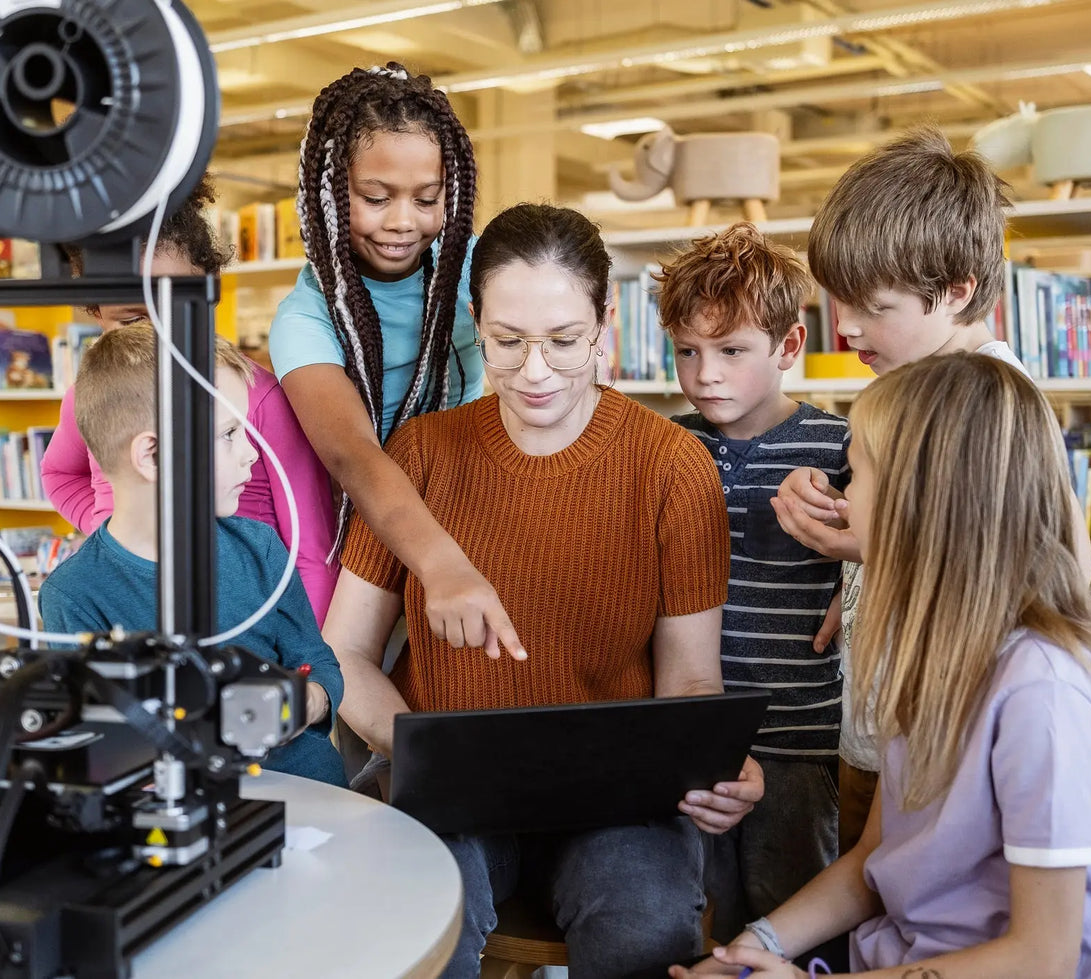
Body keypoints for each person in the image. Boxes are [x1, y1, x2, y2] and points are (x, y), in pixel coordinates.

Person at [322, 203, 765, 979]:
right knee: (422, 920)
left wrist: (712, 770)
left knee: (646, 920)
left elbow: (692, 680)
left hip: (619, 804)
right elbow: (345, 652)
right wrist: (430, 754)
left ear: (604, 320)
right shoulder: (423, 452)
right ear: (474, 322)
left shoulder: (671, 467)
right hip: (452, 798)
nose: (534, 371)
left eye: (563, 341)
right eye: (506, 341)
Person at [672, 353, 1091, 978]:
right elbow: (873, 862)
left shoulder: (1047, 695)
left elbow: (1042, 958)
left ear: (922, 504)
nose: (844, 496)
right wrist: (754, 947)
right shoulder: (934, 656)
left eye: (856, 476)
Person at [768, 126, 1091, 851]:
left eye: (872, 306)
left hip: (939, 747)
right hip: (875, 725)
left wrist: (873, 547)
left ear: (956, 291)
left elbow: (1066, 571)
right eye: (836, 301)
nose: (844, 327)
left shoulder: (1000, 402)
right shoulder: (909, 387)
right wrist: (852, 561)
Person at [270, 63, 525, 660]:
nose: (403, 222)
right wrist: (439, 561)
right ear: (328, 195)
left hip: (471, 502)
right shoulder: (304, 321)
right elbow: (352, 454)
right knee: (365, 697)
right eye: (376, 198)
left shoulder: (471, 272)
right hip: (362, 538)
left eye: (427, 198)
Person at [39, 326, 345, 787]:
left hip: (312, 796)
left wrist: (309, 702)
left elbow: (319, 663)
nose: (251, 455)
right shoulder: (74, 595)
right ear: (153, 455)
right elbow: (103, 747)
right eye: (228, 433)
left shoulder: (258, 547)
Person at [655, 224, 847, 941]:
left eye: (732, 351)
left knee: (796, 919)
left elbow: (898, 541)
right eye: (687, 351)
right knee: (706, 914)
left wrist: (853, 583)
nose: (706, 374)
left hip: (798, 741)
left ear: (789, 347)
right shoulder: (669, 446)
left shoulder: (840, 446)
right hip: (698, 741)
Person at [41, 176, 338, 622]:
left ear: (210, 290)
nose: (161, 335)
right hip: (132, 606)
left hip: (244, 616)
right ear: (94, 309)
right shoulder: (89, 396)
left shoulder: (259, 396)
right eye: (133, 320)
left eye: (178, 308)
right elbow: (60, 474)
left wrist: (307, 658)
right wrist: (108, 529)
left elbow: (310, 548)